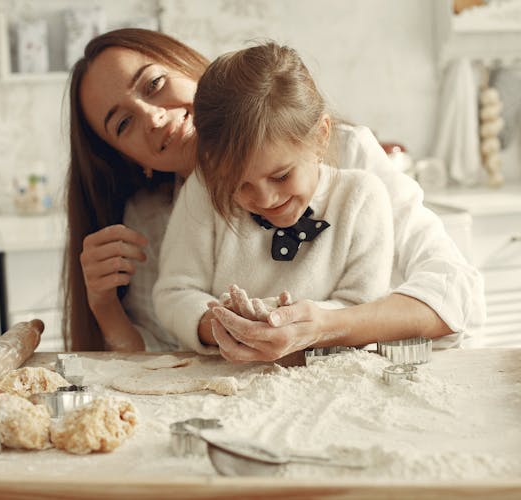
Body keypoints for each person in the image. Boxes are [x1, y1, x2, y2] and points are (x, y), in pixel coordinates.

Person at [63, 28, 485, 359]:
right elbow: (159, 363)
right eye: (122, 124)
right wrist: (103, 306)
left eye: (154, 83)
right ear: (129, 158)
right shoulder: (151, 220)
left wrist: (324, 326)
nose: (153, 118)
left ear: (190, 68)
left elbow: (457, 294)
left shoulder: (351, 161)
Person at [152, 42, 395, 356]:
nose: (265, 199)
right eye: (240, 185)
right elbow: (174, 293)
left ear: (321, 136)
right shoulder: (204, 191)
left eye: (281, 176)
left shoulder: (361, 199)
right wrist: (220, 324)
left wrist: (297, 325)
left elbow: (362, 309)